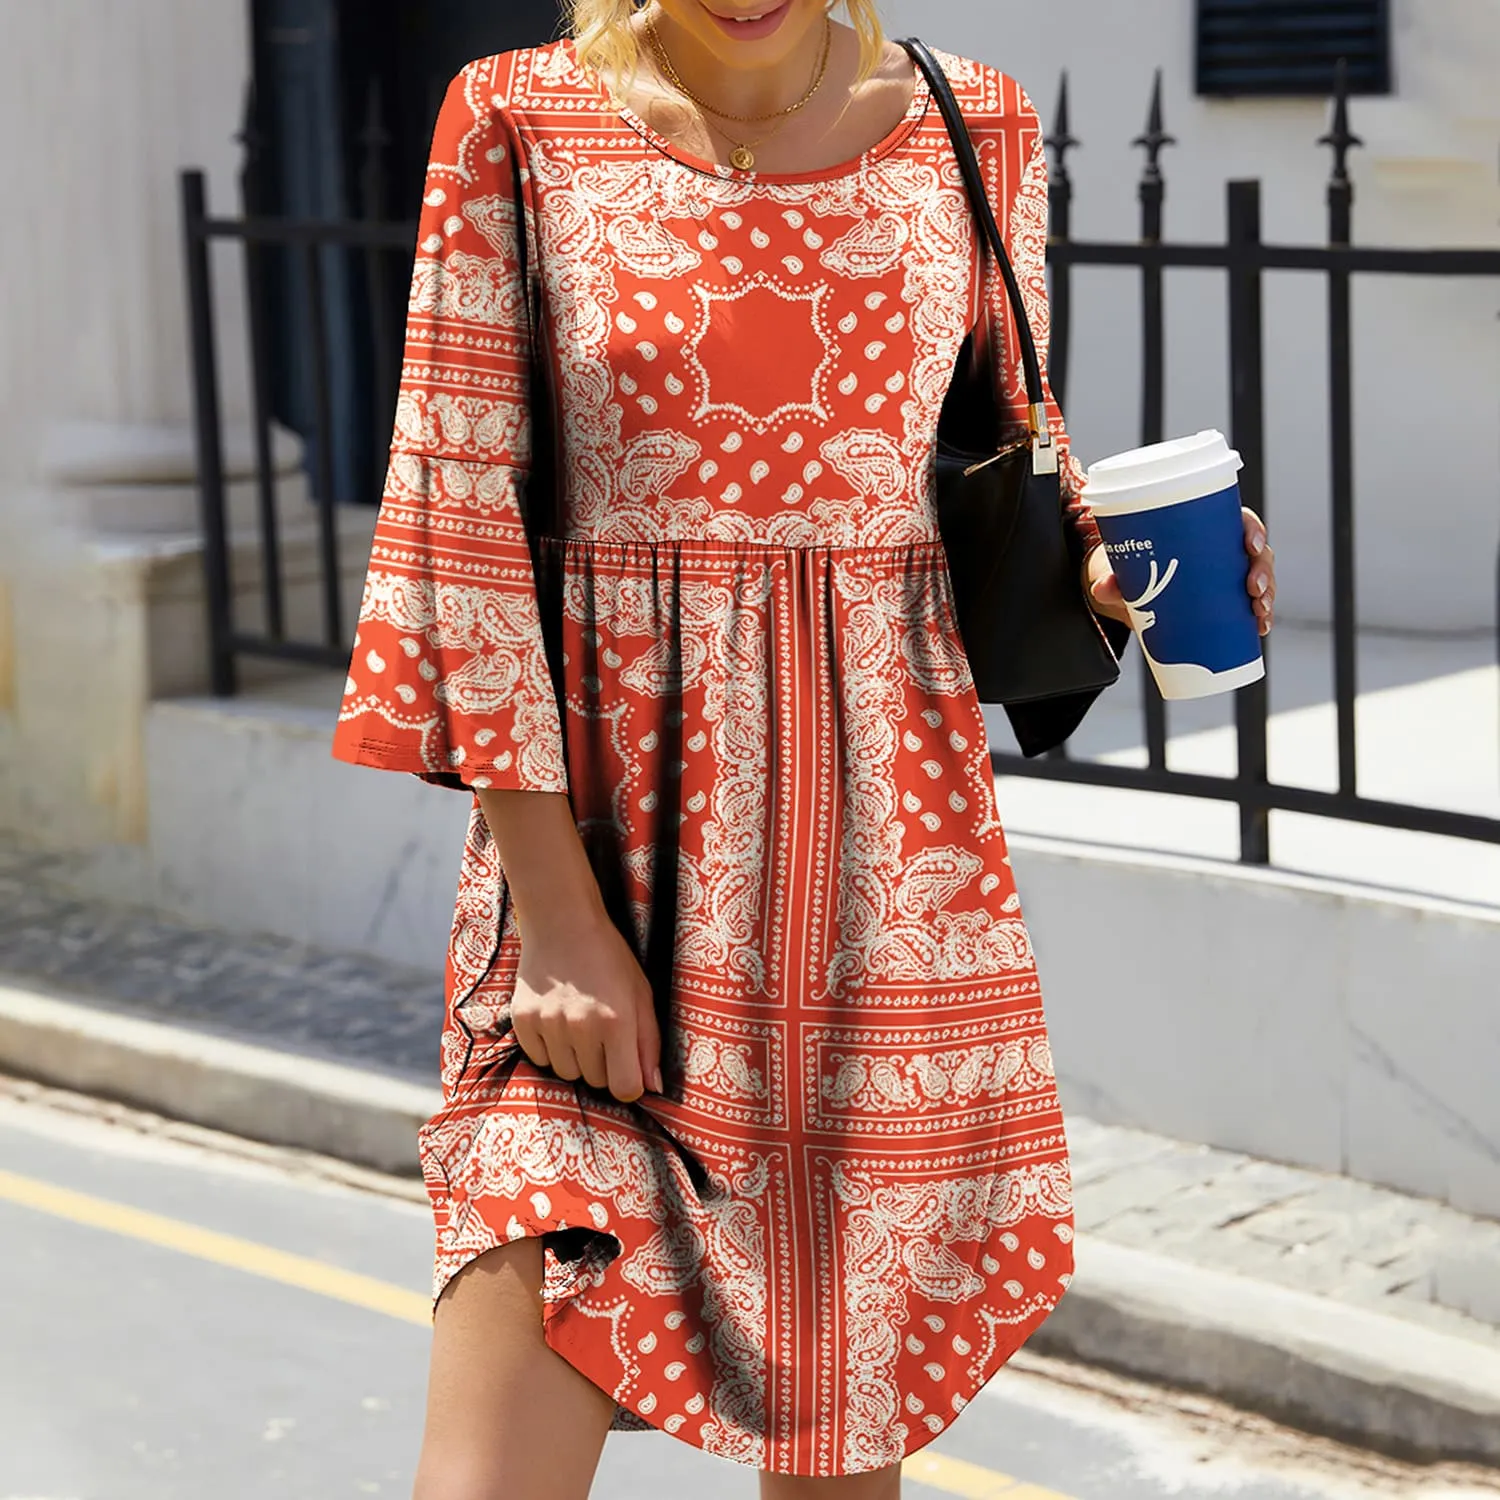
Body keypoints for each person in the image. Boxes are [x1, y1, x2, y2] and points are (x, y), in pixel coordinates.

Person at [331, 3, 1278, 1496]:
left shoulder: (978, 125)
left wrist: (1111, 566)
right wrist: (560, 921)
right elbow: (458, 515)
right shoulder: (514, 118)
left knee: (836, 1451)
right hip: (606, 873)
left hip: (878, 885)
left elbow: (995, 439)